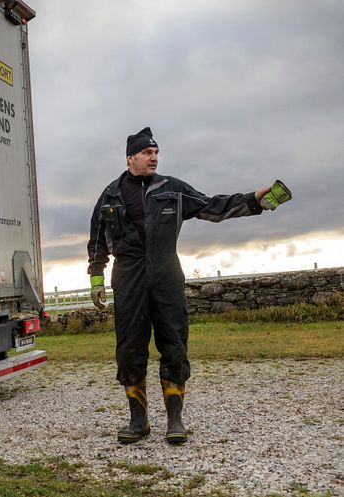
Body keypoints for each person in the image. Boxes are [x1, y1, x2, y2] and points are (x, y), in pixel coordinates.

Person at [87, 127, 284, 445]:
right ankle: (138, 421)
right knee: (128, 351)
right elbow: (97, 242)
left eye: (156, 153)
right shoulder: (109, 196)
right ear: (130, 158)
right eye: (147, 153)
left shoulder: (172, 189)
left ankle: (174, 420)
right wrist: (96, 277)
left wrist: (254, 201)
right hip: (128, 280)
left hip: (166, 277)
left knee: (175, 347)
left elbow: (213, 206)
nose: (154, 158)